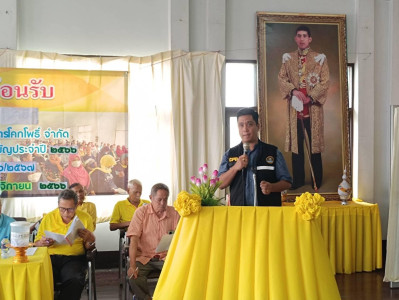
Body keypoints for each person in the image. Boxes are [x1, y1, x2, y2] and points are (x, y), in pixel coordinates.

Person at [278, 25, 330, 190]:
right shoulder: (289, 58)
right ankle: (298, 180)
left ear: (310, 39)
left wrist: (311, 97)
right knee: (297, 147)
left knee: (314, 146)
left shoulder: (319, 58)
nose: (301, 39)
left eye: (304, 36)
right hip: (295, 109)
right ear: (295, 38)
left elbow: (325, 81)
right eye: (299, 36)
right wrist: (293, 91)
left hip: (312, 108)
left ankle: (317, 180)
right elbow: (281, 78)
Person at [218, 108, 292, 206]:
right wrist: (235, 167)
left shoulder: (273, 152)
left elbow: (287, 182)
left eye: (250, 124)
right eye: (241, 125)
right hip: (240, 215)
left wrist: (272, 187)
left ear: (258, 126)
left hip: (267, 214)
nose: (245, 129)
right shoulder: (230, 154)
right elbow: (220, 184)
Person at [34, 189, 95, 300]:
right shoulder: (48, 218)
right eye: (62, 209)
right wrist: (42, 243)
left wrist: (90, 240)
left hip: (73, 259)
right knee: (39, 278)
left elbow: (88, 247)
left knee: (75, 279)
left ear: (76, 206)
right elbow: (37, 243)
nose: (66, 213)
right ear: (58, 205)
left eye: (70, 209)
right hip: (50, 258)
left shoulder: (85, 218)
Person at [126, 183, 180, 300]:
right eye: (159, 200)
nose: (162, 203)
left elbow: (181, 237)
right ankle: (146, 298)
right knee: (134, 276)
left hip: (166, 257)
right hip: (144, 257)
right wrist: (132, 265)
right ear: (151, 198)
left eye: (165, 200)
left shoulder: (174, 213)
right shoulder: (141, 212)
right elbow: (133, 240)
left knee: (180, 273)